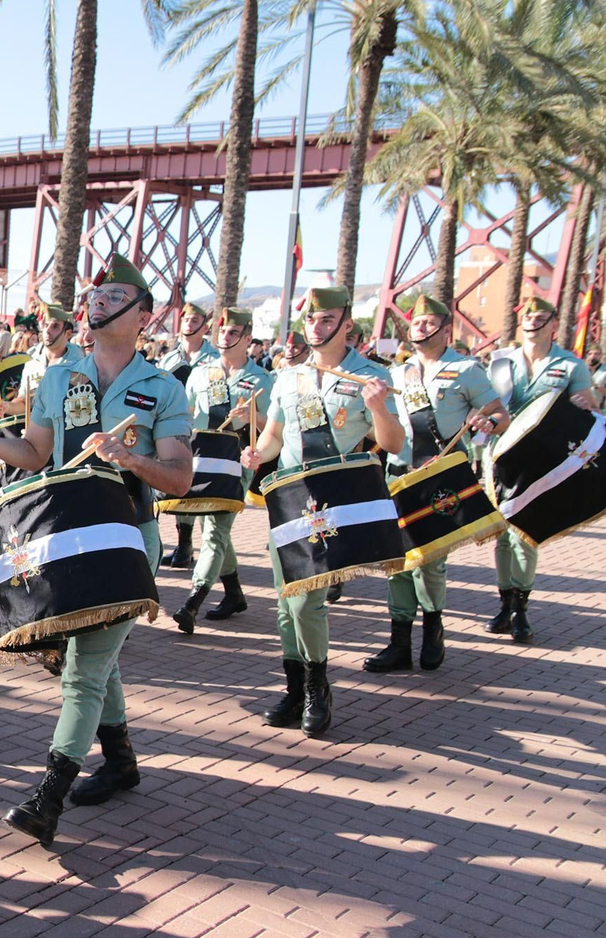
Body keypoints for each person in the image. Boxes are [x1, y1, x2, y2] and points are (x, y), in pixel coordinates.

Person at [0, 255, 192, 846]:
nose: (97, 302)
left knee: (84, 668)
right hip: (67, 538)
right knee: (89, 658)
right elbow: (36, 454)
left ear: (143, 316)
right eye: (95, 295)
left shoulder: (163, 389)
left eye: (114, 296)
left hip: (127, 538)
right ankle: (120, 761)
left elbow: (180, 478)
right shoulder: (59, 378)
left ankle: (49, 796)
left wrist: (131, 458)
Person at [242, 286, 404, 736]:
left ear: (346, 324)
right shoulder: (288, 376)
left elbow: (393, 443)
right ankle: (295, 688)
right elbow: (274, 437)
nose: (316, 326)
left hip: (333, 499)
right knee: (286, 600)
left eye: (327, 318)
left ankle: (318, 686)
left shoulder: (369, 376)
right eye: (311, 319)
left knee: (306, 601)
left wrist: (378, 409)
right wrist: (257, 454)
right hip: (289, 496)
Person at [365, 294, 508, 672]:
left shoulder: (466, 369)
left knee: (430, 561)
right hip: (399, 475)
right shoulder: (398, 373)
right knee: (397, 559)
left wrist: (487, 423)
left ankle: (433, 631)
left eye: (429, 323)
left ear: (446, 330)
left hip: (439, 478)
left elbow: (499, 414)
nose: (421, 328)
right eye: (416, 322)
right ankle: (399, 642)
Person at [481, 294, 596, 642]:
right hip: (502, 456)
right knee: (502, 535)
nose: (531, 322)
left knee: (525, 533)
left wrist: (583, 404)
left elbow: (590, 408)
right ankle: (504, 605)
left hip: (540, 460)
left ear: (553, 324)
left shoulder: (571, 366)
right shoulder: (501, 363)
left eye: (539, 317)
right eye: (527, 318)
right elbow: (487, 405)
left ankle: (520, 609)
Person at [172, 306, 273, 633]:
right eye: (222, 332)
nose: (225, 338)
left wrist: (253, 417)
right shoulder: (202, 373)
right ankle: (234, 593)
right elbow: (186, 414)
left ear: (247, 338)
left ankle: (194, 600)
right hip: (203, 459)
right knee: (213, 526)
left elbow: (274, 427)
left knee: (216, 529)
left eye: (233, 333)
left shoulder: (261, 379)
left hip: (237, 460)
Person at [155, 302, 220, 569]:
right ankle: (183, 546)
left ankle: (201, 549)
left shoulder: (214, 359)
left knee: (199, 491)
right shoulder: (169, 358)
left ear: (205, 326)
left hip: (202, 431)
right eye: (186, 320)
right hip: (173, 429)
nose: (189, 324)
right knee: (175, 488)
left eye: (195, 320)